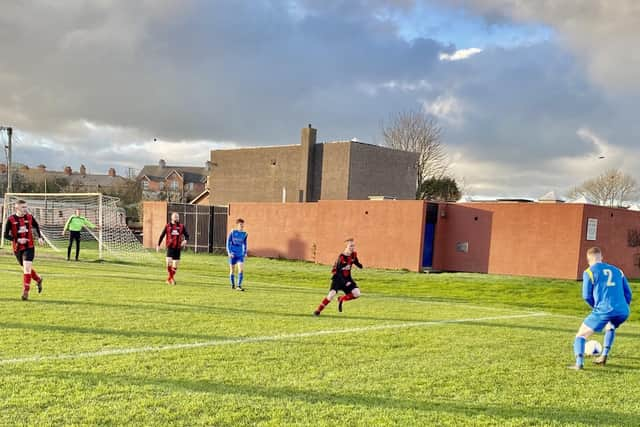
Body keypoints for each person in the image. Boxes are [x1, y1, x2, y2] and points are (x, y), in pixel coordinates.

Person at [569, 247, 633, 370]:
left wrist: (596, 307)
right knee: (610, 326)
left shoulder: (589, 272)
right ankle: (603, 356)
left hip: (603, 310)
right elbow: (628, 293)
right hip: (623, 311)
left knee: (581, 335)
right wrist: (624, 307)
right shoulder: (618, 271)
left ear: (588, 259)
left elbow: (586, 296)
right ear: (601, 258)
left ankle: (579, 364)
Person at [4, 200, 45, 300]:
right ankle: (38, 279)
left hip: (29, 247)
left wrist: (39, 237)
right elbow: (5, 235)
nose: (25, 209)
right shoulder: (10, 219)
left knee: (26, 268)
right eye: (23, 207)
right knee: (27, 269)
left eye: (26, 207)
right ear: (16, 208)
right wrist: (18, 239)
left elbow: (36, 226)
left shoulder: (30, 217)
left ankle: (25, 291)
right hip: (17, 248)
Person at [314, 238, 363, 316]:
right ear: (346, 247)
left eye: (353, 246)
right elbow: (338, 271)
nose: (352, 248)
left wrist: (359, 265)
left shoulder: (354, 254)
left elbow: (355, 261)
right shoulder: (342, 257)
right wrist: (345, 282)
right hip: (338, 279)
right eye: (350, 246)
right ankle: (318, 311)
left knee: (357, 293)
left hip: (347, 278)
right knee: (331, 295)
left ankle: (341, 299)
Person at [157, 212, 189, 285]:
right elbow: (162, 235)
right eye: (175, 217)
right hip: (170, 247)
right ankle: (172, 280)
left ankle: (169, 279)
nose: (176, 218)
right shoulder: (167, 226)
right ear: (172, 218)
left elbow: (187, 235)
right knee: (168, 263)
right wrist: (158, 245)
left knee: (175, 265)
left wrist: (185, 240)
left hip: (177, 248)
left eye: (177, 217)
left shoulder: (181, 226)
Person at [227, 218, 248, 291]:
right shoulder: (232, 232)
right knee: (232, 271)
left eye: (242, 225)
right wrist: (229, 252)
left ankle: (239, 286)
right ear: (237, 225)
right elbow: (228, 243)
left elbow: (245, 244)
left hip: (240, 255)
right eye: (240, 225)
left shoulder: (244, 234)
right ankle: (233, 285)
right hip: (233, 254)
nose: (242, 226)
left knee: (241, 270)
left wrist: (245, 252)